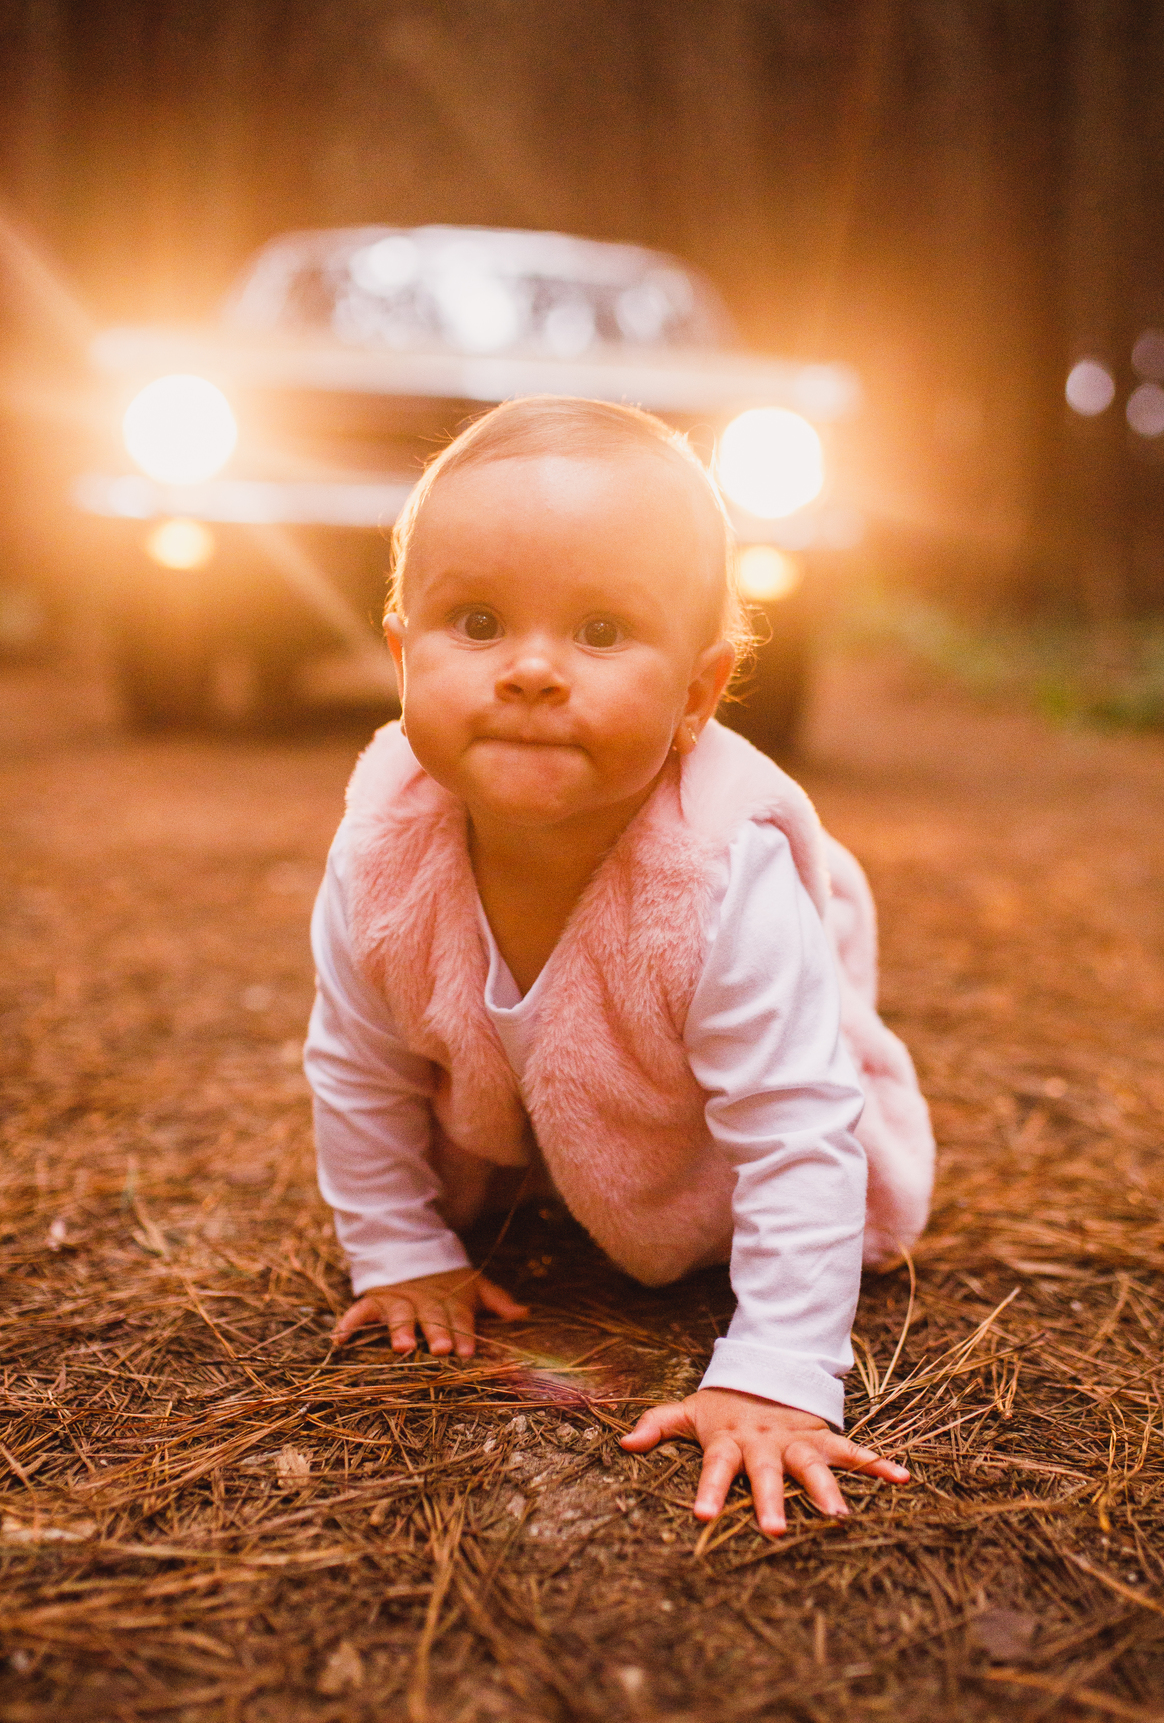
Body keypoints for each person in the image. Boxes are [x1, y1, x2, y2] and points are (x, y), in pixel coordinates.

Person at [304, 395, 935, 1537]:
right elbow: (357, 1067)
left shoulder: (718, 884)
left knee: (784, 1120)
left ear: (697, 694)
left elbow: (796, 1128)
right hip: (538, 1133)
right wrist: (397, 1247)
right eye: (479, 620)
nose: (534, 670)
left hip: (702, 1163)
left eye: (599, 632)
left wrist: (777, 1372)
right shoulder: (380, 855)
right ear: (401, 656)